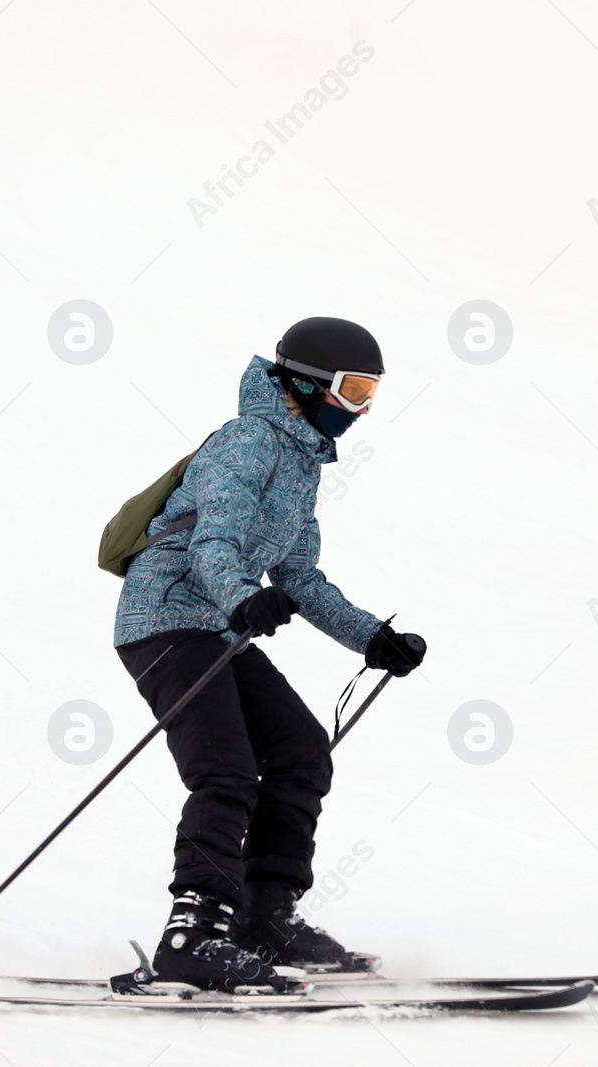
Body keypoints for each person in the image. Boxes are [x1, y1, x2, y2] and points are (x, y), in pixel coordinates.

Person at [113, 317, 427, 992]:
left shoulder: (301, 462)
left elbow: (299, 576)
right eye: (354, 389)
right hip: (166, 617)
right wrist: (237, 598)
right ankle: (192, 934)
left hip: (218, 624)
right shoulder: (248, 441)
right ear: (308, 385)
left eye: (371, 392)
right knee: (225, 770)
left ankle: (265, 918)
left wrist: (371, 637)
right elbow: (211, 543)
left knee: (300, 751)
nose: (361, 408)